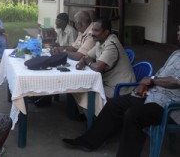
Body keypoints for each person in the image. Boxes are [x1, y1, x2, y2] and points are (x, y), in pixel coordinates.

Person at [62, 28, 180, 157]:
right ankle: (88, 142)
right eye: (178, 29)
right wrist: (144, 83)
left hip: (170, 105)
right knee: (114, 104)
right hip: (153, 94)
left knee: (133, 115)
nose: (177, 32)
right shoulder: (176, 53)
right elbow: (158, 75)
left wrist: (151, 81)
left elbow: (175, 81)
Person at [75, 19, 135, 98]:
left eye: (96, 30)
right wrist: (82, 62)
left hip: (120, 87)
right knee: (79, 88)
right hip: (107, 82)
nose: (92, 33)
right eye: (92, 30)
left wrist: (89, 62)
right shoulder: (99, 42)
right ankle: (84, 110)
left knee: (84, 91)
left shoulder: (111, 44)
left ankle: (91, 110)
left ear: (105, 32)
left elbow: (97, 68)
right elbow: (86, 56)